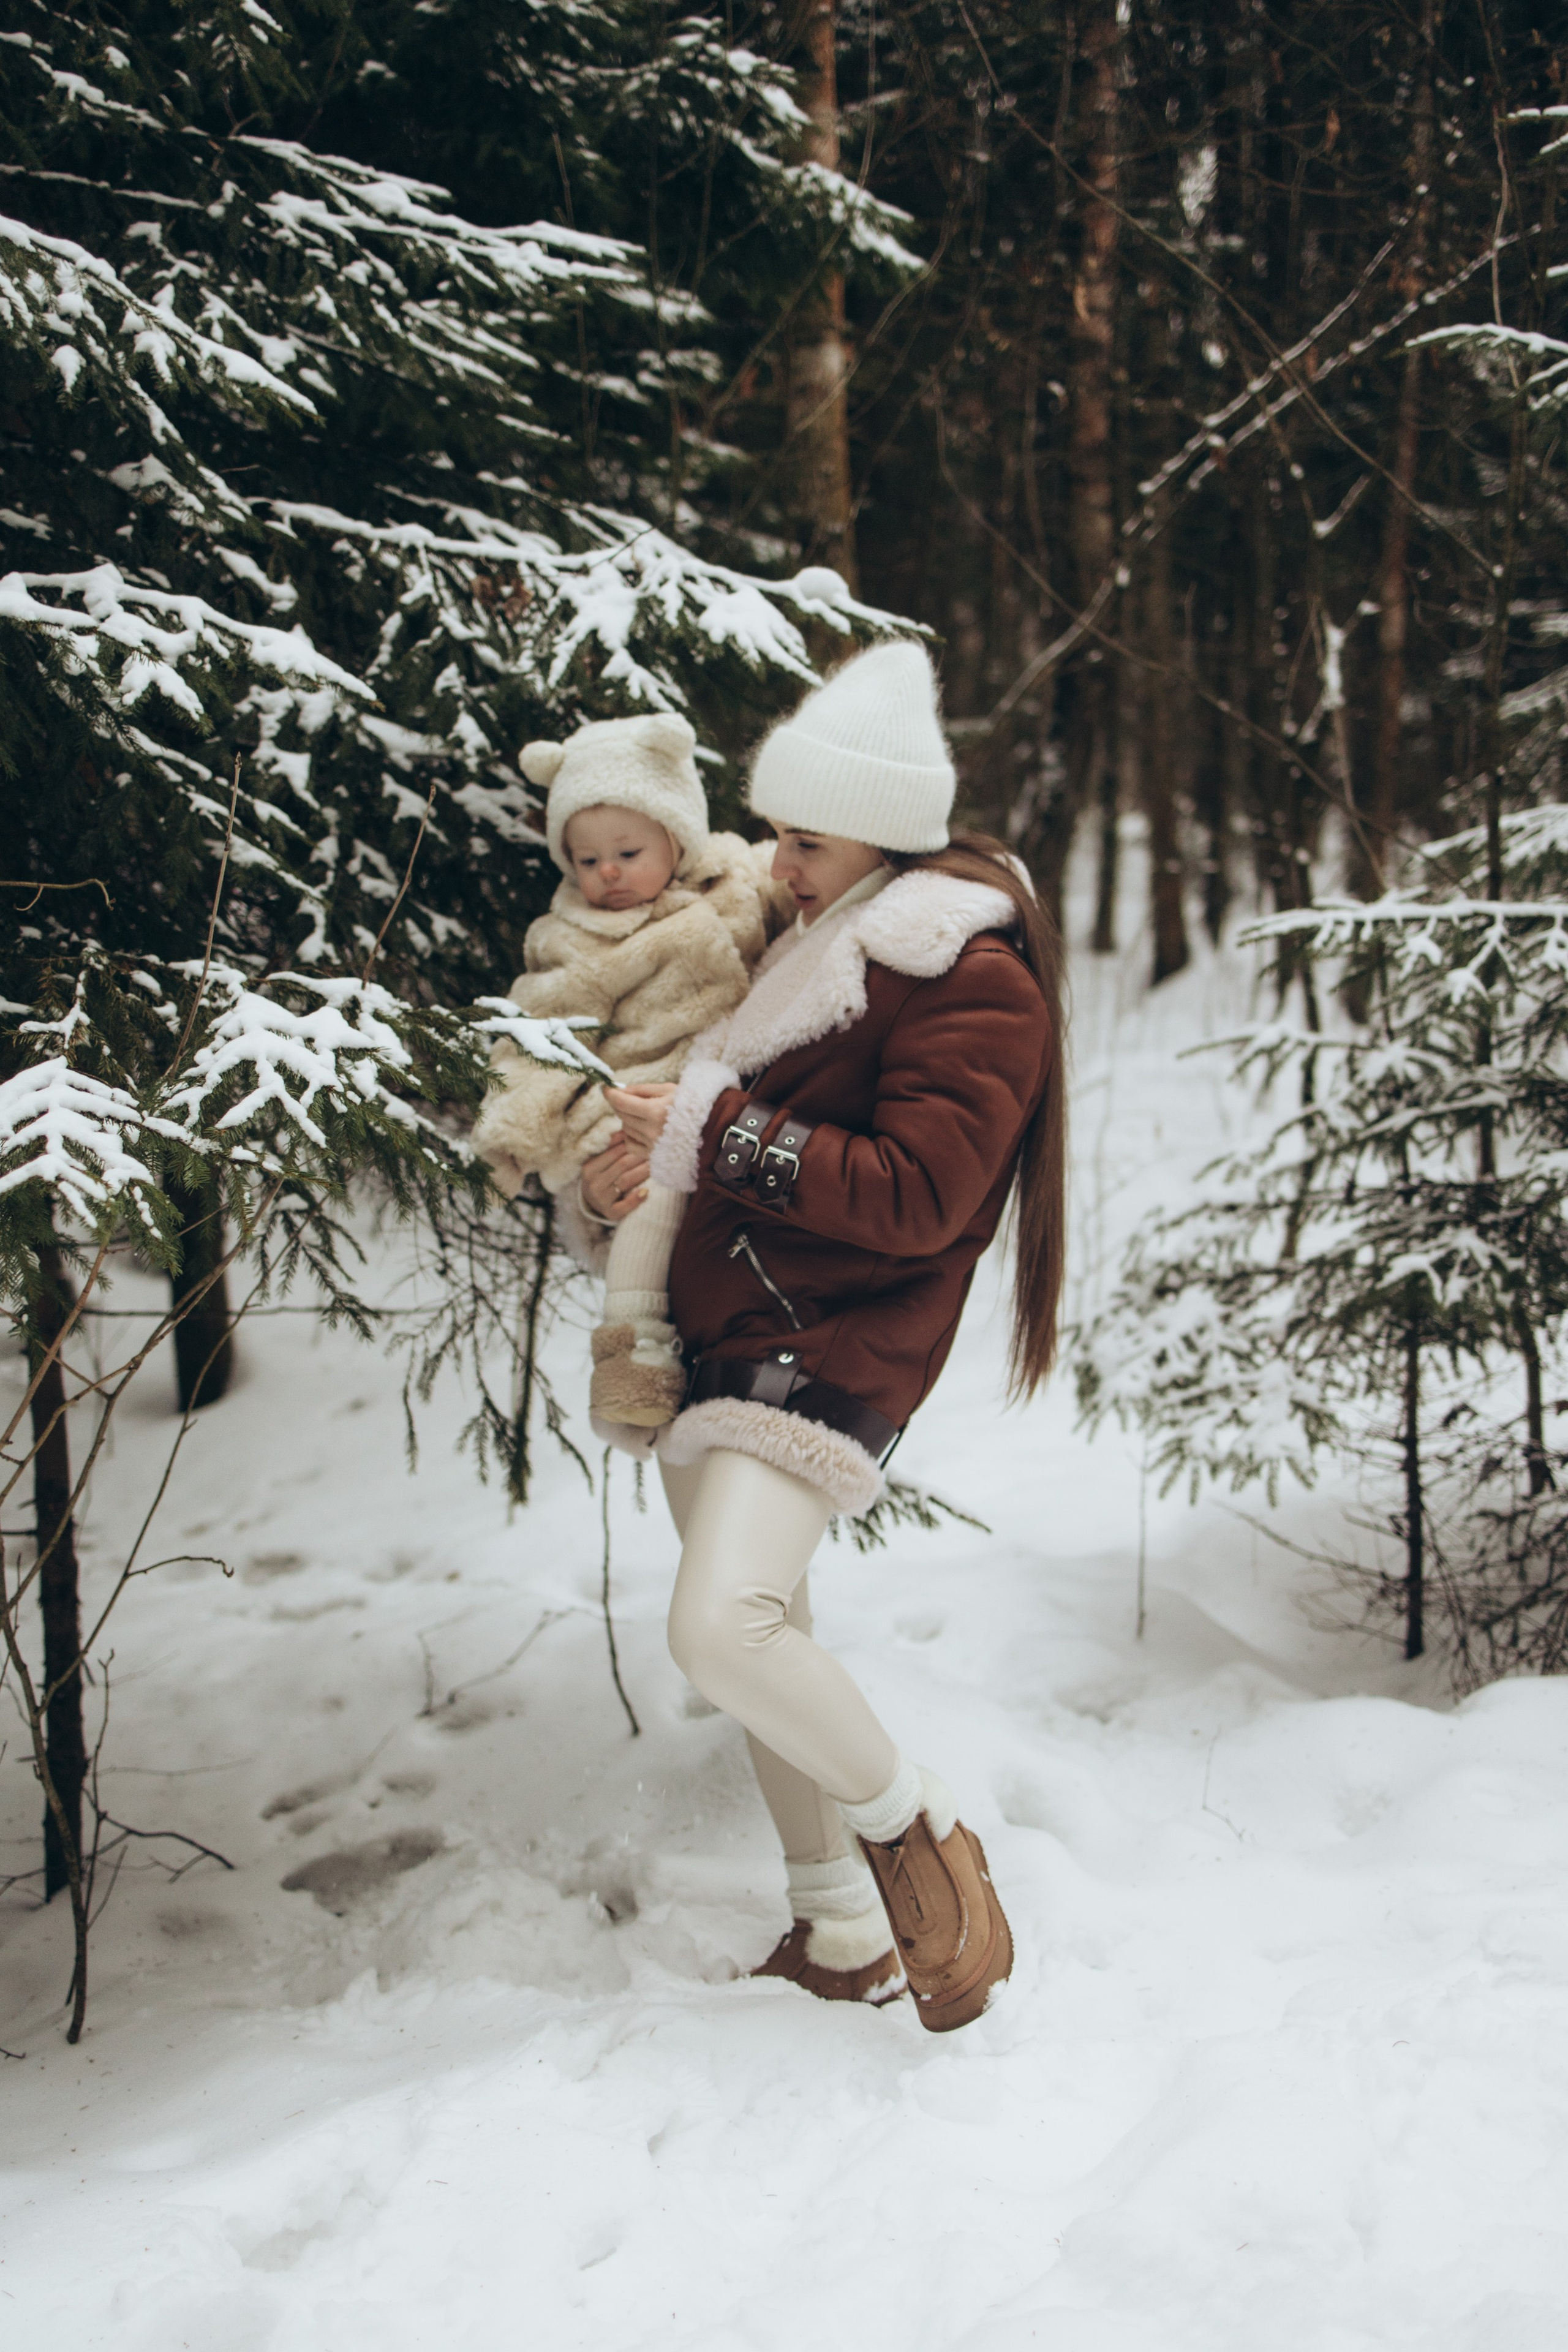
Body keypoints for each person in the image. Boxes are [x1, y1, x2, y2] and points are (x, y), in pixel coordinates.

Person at [580, 640, 1065, 2032]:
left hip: (828, 1344)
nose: (772, 860)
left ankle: (921, 1841)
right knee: (768, 1633)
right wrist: (646, 1162)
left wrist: (708, 1130)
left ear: (884, 837)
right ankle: (841, 1924)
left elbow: (918, 1196)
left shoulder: (966, 974)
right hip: (724, 1326)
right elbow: (731, 1136)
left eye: (802, 837)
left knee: (720, 1627)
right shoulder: (819, 939)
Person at [472, 711, 787, 1428]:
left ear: (680, 835)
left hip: (725, 1101)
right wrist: (507, 1142)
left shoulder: (738, 880)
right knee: (651, 1200)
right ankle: (631, 1364)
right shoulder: (572, 937)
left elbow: (803, 879)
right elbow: (538, 1035)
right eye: (586, 860)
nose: (607, 872)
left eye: (627, 850)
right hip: (634, 1104)